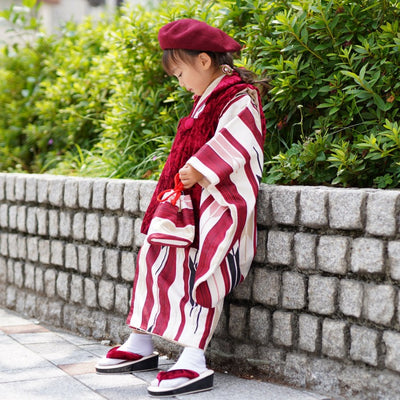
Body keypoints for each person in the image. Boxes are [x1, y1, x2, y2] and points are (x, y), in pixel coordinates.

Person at [95, 18, 267, 397]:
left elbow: (241, 143)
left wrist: (200, 169)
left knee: (205, 272)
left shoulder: (239, 97)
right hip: (184, 203)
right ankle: (141, 341)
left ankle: (193, 357)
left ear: (203, 61)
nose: (180, 81)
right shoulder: (207, 98)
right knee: (155, 261)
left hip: (216, 203)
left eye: (180, 73)